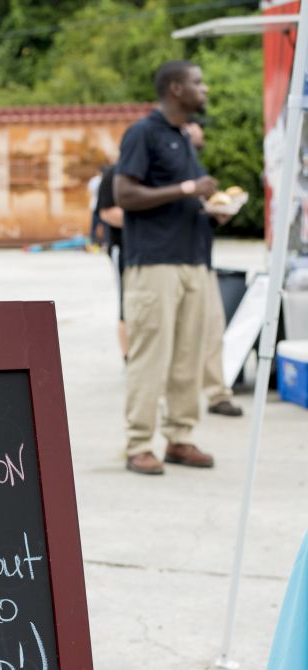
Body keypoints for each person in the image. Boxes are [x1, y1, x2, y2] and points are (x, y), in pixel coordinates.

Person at [115, 60, 218, 475]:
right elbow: (125, 193)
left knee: (189, 358)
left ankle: (180, 437)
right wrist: (188, 188)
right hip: (154, 263)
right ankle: (139, 444)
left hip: (192, 260)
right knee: (150, 356)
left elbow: (178, 197)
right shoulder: (143, 133)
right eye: (197, 82)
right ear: (176, 89)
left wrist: (209, 207)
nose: (204, 89)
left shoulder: (183, 137)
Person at [184, 120, 243, 417]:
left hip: (201, 258)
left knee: (212, 329)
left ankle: (217, 392)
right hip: (172, 262)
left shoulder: (193, 163)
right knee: (183, 336)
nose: (201, 134)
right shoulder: (163, 161)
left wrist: (217, 213)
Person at [96, 162, 129, 359]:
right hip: (122, 247)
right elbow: (106, 212)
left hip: (155, 253)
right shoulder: (114, 174)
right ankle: (128, 355)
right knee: (126, 304)